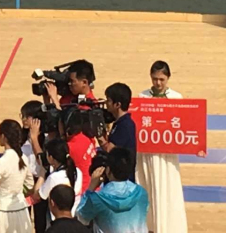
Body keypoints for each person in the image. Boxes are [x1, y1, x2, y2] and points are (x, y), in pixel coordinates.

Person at [136, 61, 187, 233]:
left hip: (168, 154)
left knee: (168, 188)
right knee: (148, 187)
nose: (158, 83)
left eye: (161, 79)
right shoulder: (142, 97)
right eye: (155, 79)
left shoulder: (177, 98)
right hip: (147, 153)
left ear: (168, 78)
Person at [77, 147, 149, 233]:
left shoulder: (97, 199)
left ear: (108, 170)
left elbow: (81, 217)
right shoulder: (142, 194)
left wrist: (91, 187)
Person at [0, 119, 34, 233]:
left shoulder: (0, 163)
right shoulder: (24, 159)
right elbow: (30, 184)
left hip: (3, 213)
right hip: (21, 211)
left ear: (3, 137)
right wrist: (18, 191)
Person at [31, 138, 83, 222]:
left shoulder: (54, 178)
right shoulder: (77, 172)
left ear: (51, 158)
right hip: (75, 217)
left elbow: (37, 196)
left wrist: (42, 173)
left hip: (58, 219)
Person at [97, 82, 137, 181]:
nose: (106, 103)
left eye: (109, 100)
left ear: (117, 104)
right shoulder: (120, 123)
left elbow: (109, 150)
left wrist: (98, 134)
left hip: (122, 182)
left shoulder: (125, 125)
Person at [20, 101, 47, 233]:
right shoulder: (20, 137)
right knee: (23, 220)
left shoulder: (46, 138)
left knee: (40, 222)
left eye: (27, 116)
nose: (24, 119)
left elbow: (42, 162)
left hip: (40, 183)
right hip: (24, 182)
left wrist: (34, 138)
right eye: (22, 116)